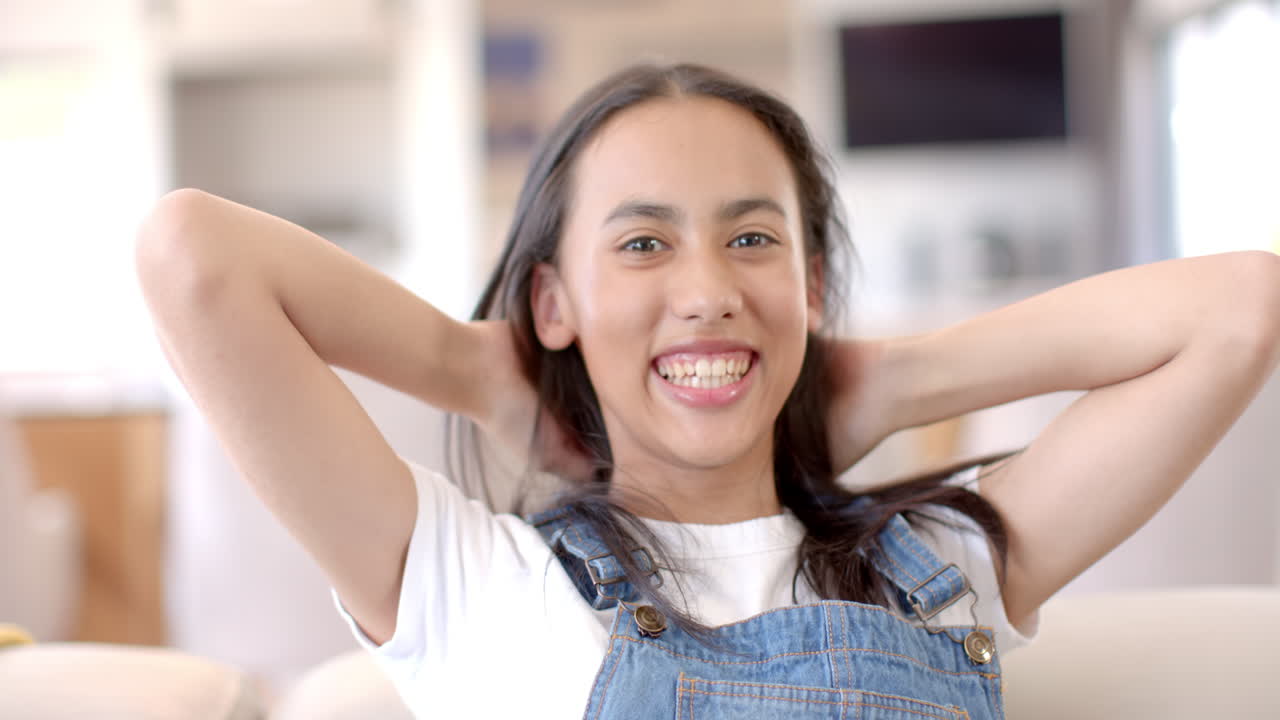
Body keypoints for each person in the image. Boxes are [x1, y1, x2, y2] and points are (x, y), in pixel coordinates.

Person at [135, 63, 1280, 718]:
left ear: (811, 286)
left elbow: (1239, 309)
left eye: (751, 239)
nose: (707, 292)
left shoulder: (939, 569)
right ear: (552, 301)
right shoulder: (470, 585)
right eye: (642, 245)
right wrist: (478, 371)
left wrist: (886, 382)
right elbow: (193, 256)